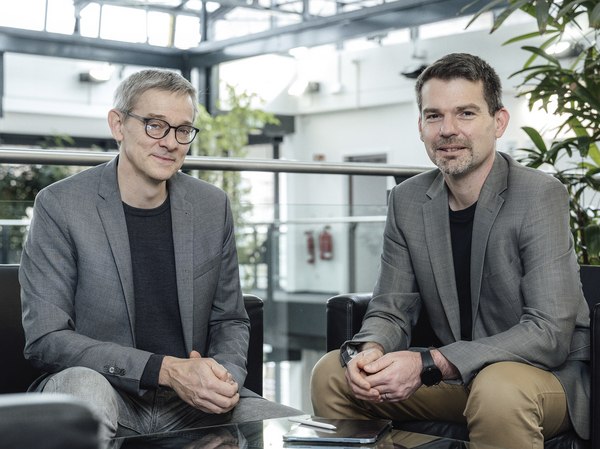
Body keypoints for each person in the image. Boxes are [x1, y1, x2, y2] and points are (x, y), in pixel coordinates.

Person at [310, 53, 591, 448]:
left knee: (498, 388)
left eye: (465, 113)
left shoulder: (539, 195)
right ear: (421, 127)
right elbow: (391, 308)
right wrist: (368, 350)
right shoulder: (407, 201)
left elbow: (548, 334)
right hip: (458, 379)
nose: (448, 130)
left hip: (542, 377)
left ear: (498, 122)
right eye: (434, 116)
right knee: (331, 374)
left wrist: (431, 362)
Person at [19, 68, 301, 446]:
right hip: (106, 390)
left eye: (183, 129)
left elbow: (231, 320)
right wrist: (164, 370)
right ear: (118, 125)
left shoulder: (210, 206)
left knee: (295, 428)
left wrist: (222, 380)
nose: (170, 142)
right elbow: (46, 339)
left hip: (189, 403)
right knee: (85, 389)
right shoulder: (61, 205)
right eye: (155, 125)